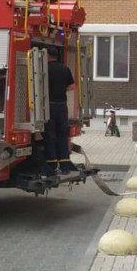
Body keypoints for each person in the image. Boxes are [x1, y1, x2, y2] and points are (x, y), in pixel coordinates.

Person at [44, 46, 77, 175]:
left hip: (49, 106)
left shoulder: (45, 69)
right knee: (63, 135)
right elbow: (72, 86)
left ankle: (52, 165)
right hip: (62, 106)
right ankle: (64, 165)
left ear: (47, 56)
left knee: (50, 135)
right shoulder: (65, 68)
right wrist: (61, 89)